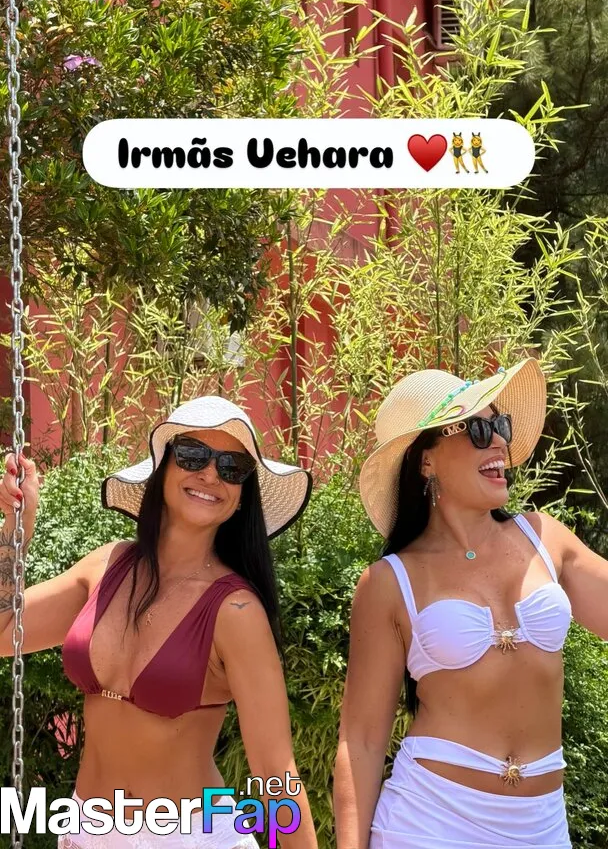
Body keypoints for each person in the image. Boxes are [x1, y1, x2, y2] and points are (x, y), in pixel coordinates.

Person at [0, 395, 318, 849]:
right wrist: (16, 529)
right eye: (192, 455)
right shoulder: (106, 567)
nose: (211, 474)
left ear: (241, 496)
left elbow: (274, 770)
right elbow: (5, 633)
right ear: (162, 467)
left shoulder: (235, 611)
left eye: (232, 468)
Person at [333, 357, 608, 849]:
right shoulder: (389, 581)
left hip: (542, 828)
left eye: (500, 425)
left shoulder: (545, 537)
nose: (499, 441)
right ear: (426, 460)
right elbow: (363, 741)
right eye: (478, 429)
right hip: (428, 824)